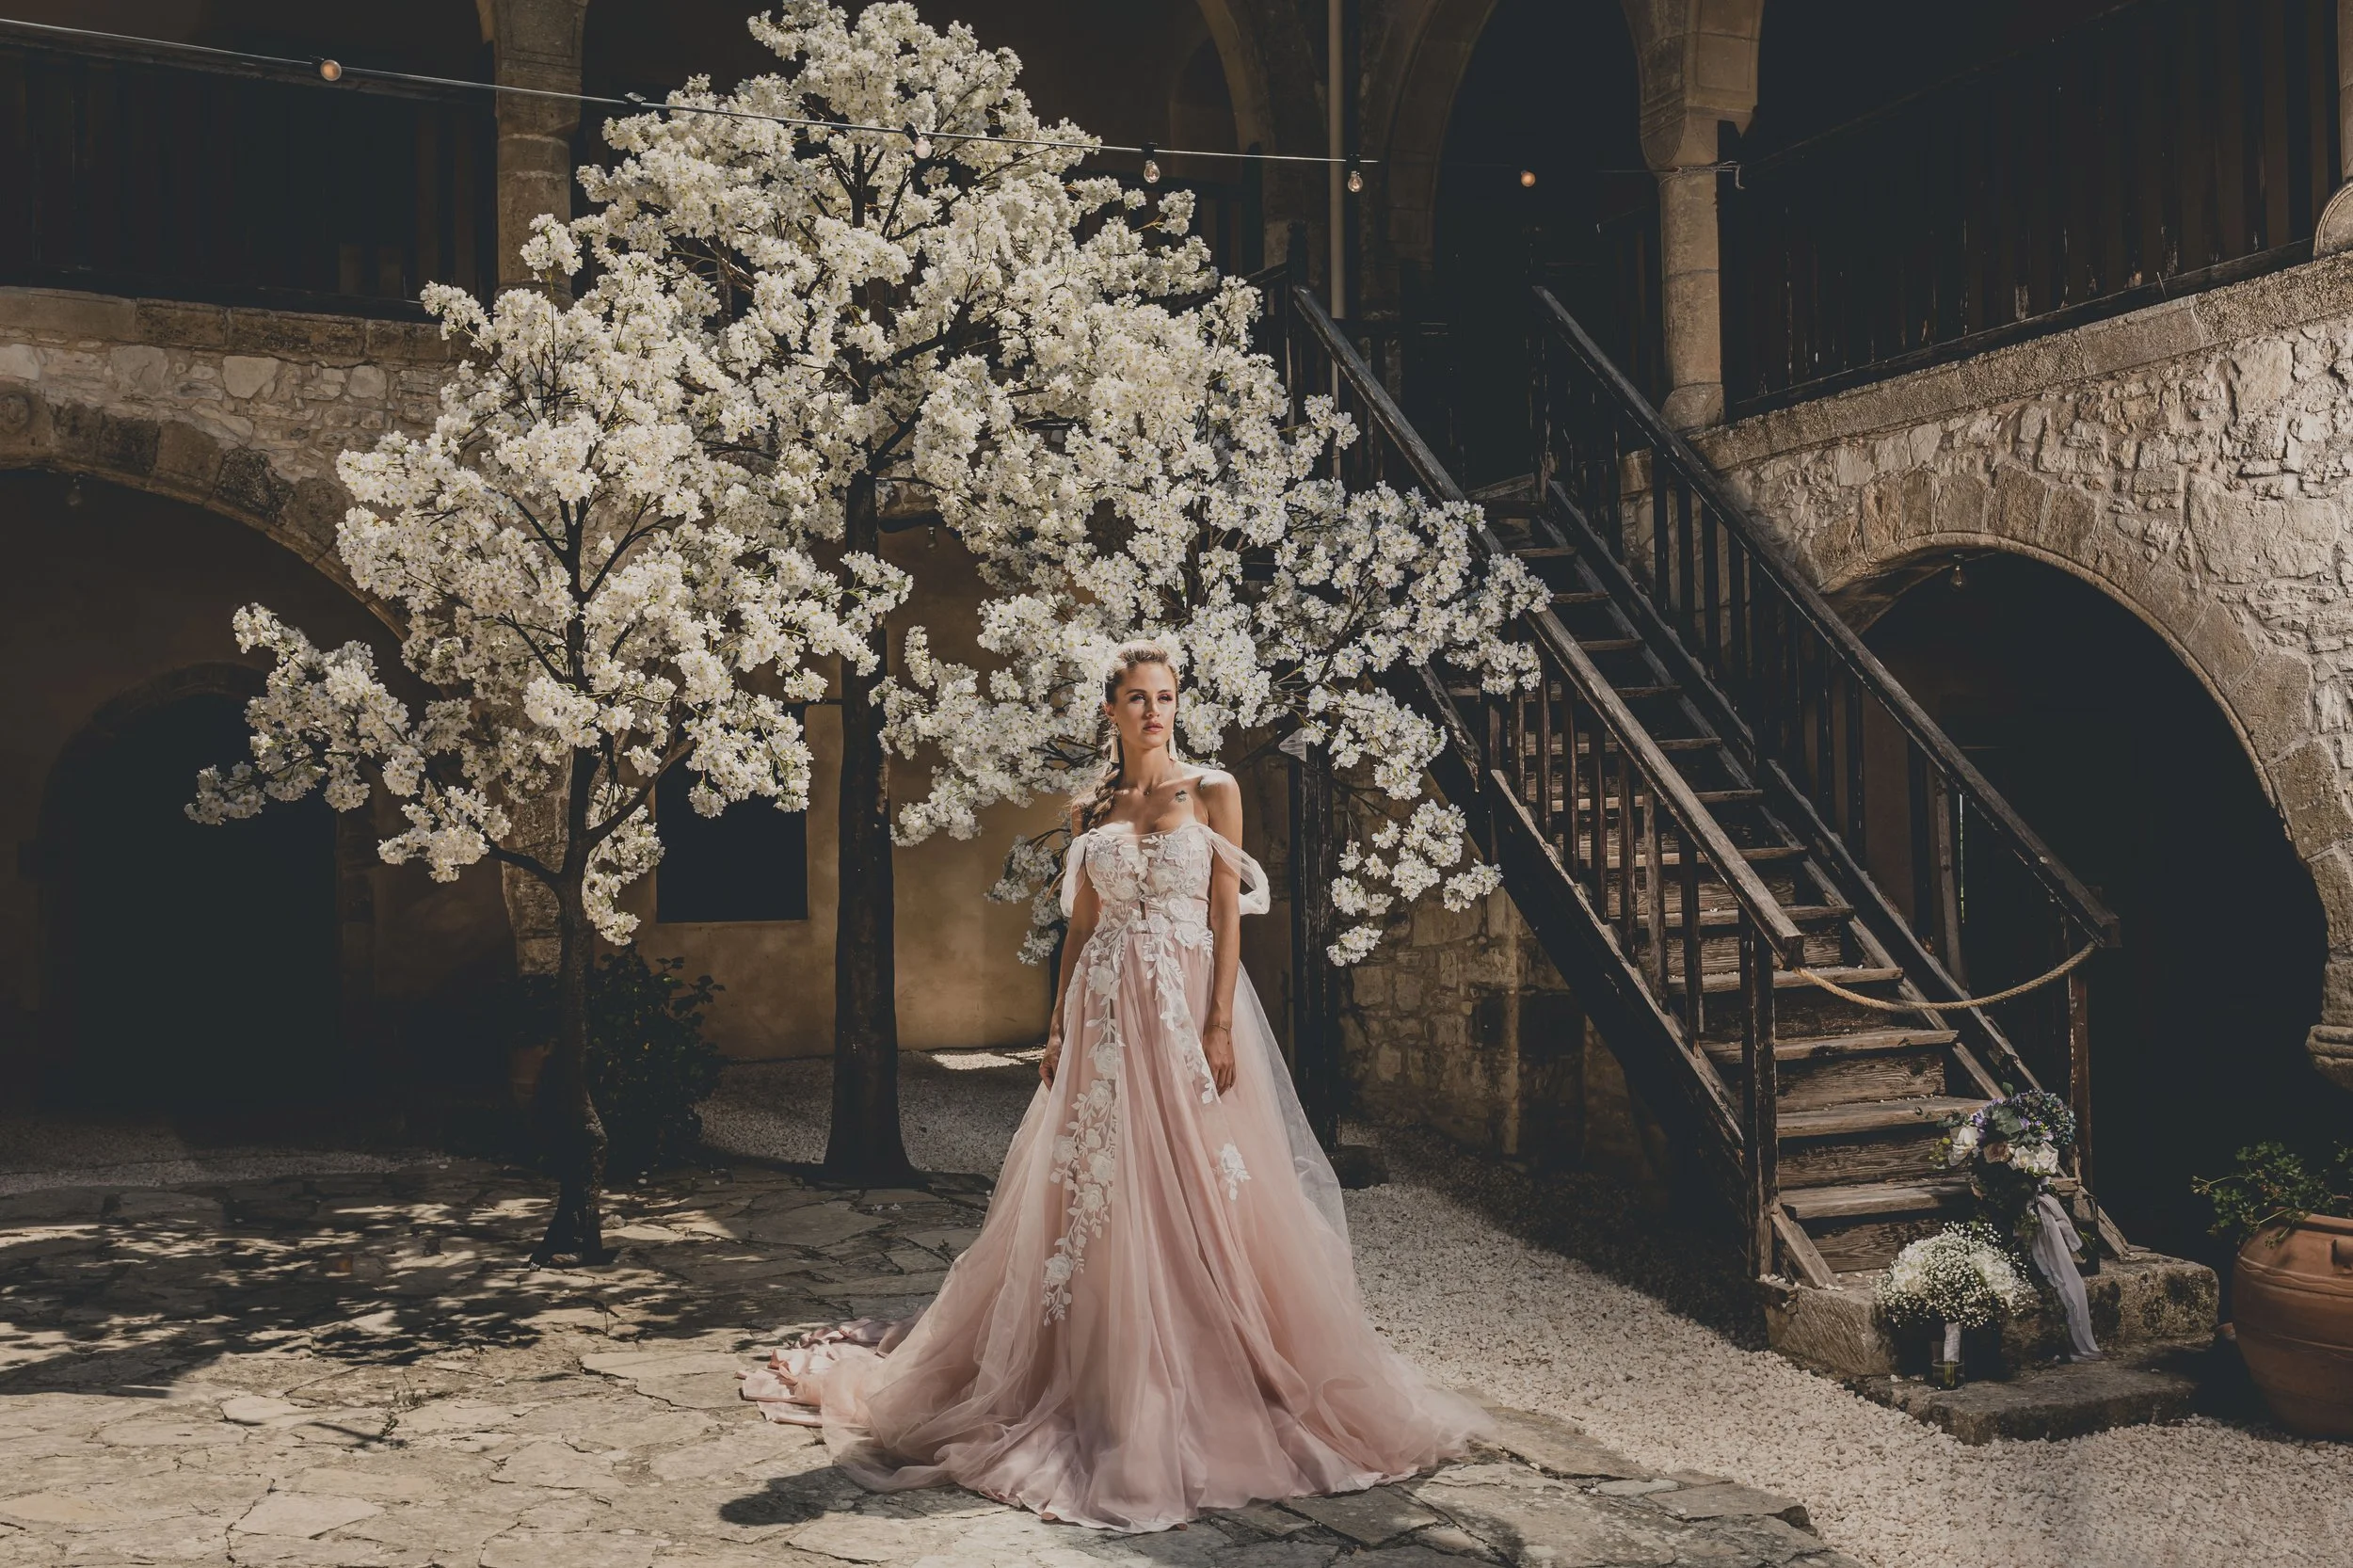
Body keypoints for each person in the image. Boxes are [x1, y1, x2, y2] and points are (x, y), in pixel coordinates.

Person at [741, 641, 1491, 1530]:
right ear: (1111, 710)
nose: (1152, 712)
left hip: (1180, 1010)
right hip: (1102, 1019)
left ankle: (1222, 1357)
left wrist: (1218, 1021)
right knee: (1104, 1187)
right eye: (1136, 698)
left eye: (1165, 697)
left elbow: (1224, 916)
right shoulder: (1093, 806)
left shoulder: (1211, 790)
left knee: (1205, 1180)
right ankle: (1101, 1367)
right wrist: (1057, 1025)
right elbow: (1083, 929)